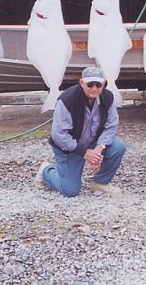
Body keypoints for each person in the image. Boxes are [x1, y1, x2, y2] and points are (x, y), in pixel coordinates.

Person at [34, 67, 126, 197]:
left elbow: (111, 125)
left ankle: (101, 182)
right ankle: (46, 172)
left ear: (104, 83)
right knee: (70, 191)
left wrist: (98, 150)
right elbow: (59, 135)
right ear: (82, 82)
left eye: (98, 84)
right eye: (90, 84)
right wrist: (84, 152)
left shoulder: (108, 97)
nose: (94, 88)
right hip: (70, 148)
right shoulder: (67, 100)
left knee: (118, 146)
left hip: (93, 143)